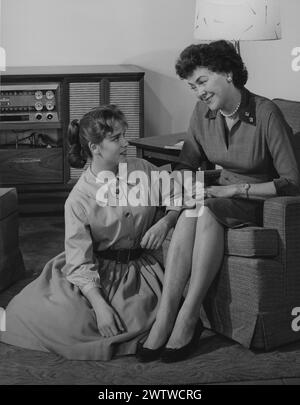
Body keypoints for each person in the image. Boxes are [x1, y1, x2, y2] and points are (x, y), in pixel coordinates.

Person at [137, 40, 300, 363]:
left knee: (205, 209)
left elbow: (292, 182)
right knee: (195, 210)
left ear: (227, 73)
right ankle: (168, 314)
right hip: (216, 194)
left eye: (202, 81)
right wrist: (179, 198)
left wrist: (233, 192)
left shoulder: (267, 113)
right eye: (191, 86)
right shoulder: (203, 113)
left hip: (257, 200)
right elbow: (188, 163)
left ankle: (188, 315)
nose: (198, 92)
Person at [0, 104, 180, 361]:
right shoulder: (78, 199)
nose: (125, 142)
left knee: (140, 318)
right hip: (99, 270)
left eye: (123, 134)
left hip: (143, 269)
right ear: (95, 148)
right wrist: (100, 305)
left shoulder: (142, 168)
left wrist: (166, 221)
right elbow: (80, 261)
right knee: (71, 320)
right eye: (116, 138)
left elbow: (182, 193)